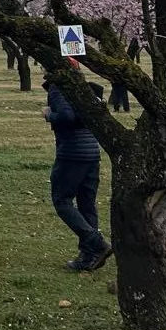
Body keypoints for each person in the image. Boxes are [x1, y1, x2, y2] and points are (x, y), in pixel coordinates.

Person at [43, 74, 111, 272]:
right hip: (92, 153)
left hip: (72, 154)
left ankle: (96, 242)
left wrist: (49, 115)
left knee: (62, 200)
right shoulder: (82, 85)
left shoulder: (59, 86)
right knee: (86, 203)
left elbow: (67, 116)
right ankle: (89, 255)